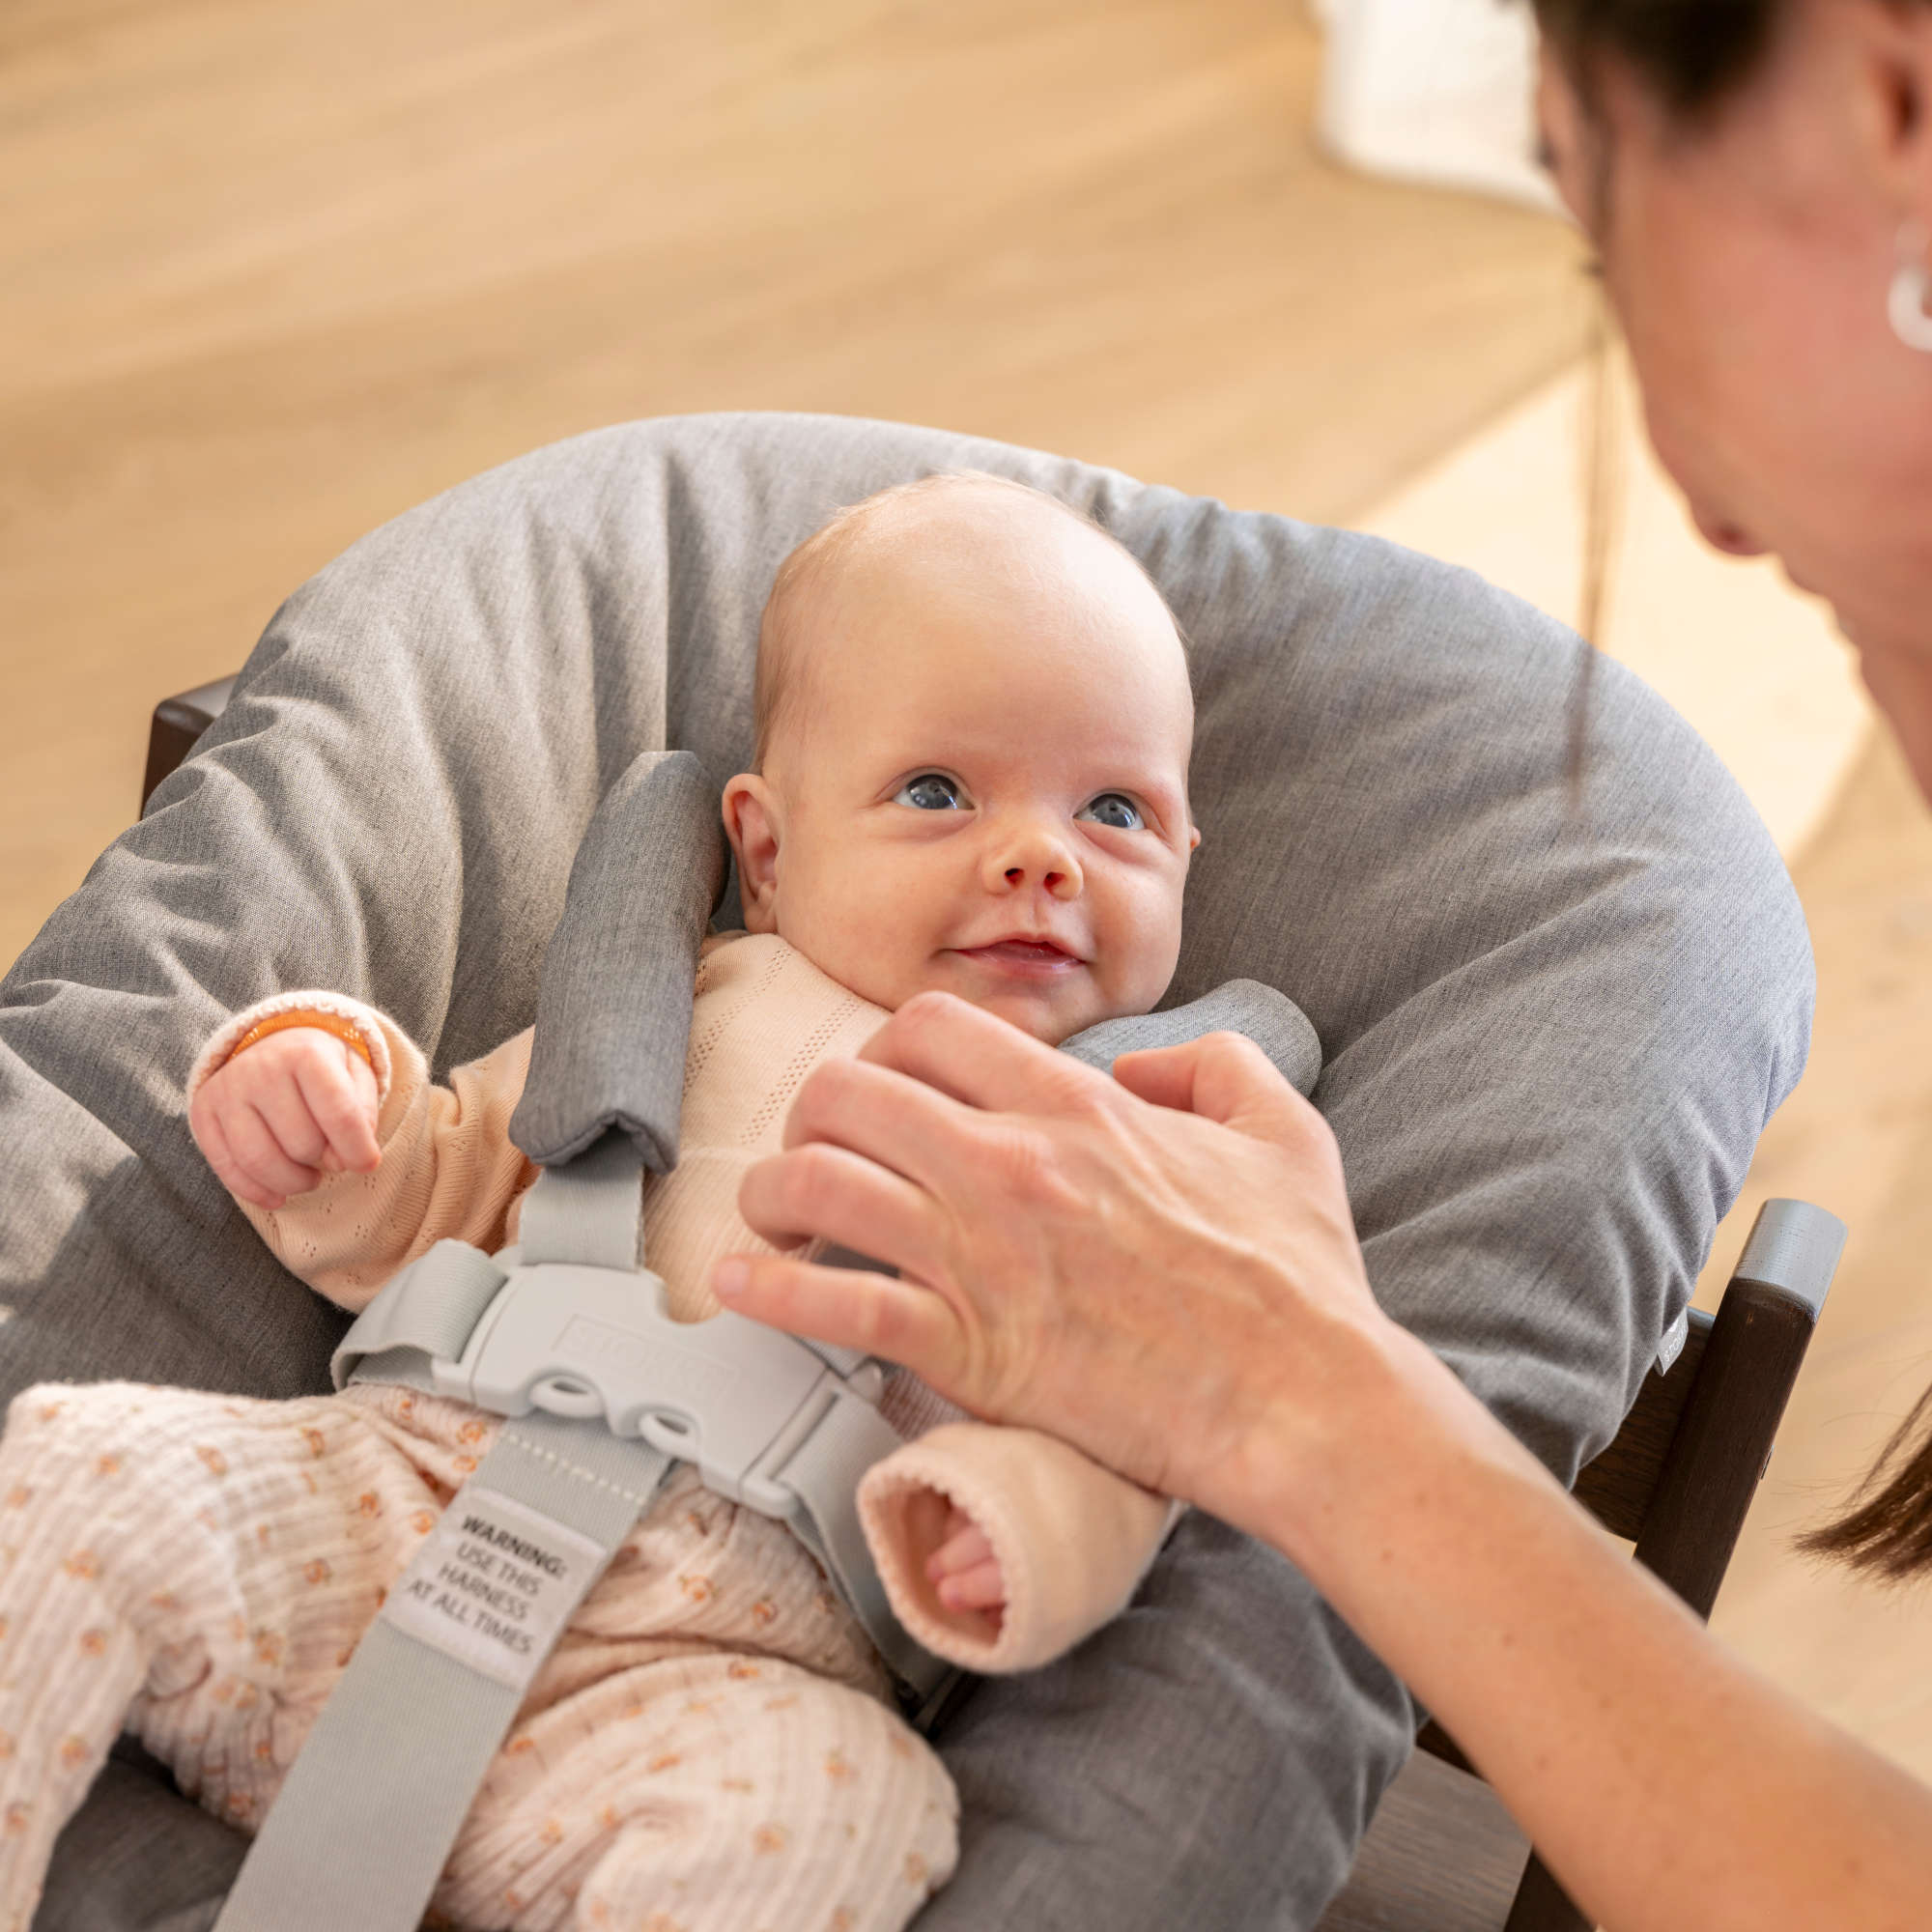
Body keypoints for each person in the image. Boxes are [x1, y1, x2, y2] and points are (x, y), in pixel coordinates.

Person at [707, 9, 1932, 1930]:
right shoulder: (672, 1003)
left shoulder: (1220, 1089)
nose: (1689, 499)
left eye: (1612, 246)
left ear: (1893, 101)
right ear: (757, 847)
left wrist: (1299, 1402)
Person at [0, 473, 1210, 1932]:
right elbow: (449, 1175)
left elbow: (1123, 1455)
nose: (1041, 853)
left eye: (1118, 811)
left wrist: (1005, 1532)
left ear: (1186, 860)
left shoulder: (1122, 1169)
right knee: (67, 1459)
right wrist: (324, 1100)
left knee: (853, 1816)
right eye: (938, 793)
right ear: (765, 855)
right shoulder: (691, 1004)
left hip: (707, 1680)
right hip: (387, 1518)